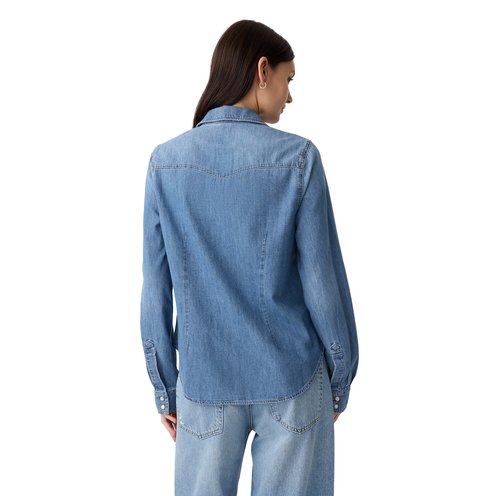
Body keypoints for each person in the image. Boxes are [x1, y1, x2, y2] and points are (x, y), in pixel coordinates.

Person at [140, 19, 359, 496]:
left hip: (204, 386)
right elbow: (322, 284)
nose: (290, 95)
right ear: (262, 70)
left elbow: (155, 289)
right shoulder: (299, 160)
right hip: (293, 380)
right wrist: (341, 376)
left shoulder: (165, 164)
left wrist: (166, 387)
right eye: (288, 78)